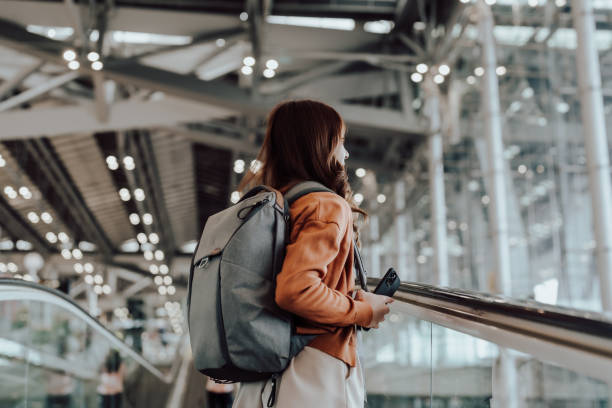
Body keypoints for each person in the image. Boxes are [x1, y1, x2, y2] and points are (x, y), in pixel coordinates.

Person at [232, 100, 393, 407]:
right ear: (319, 145)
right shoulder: (325, 204)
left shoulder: (275, 204)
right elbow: (297, 290)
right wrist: (364, 311)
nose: (345, 154)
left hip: (269, 366)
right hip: (314, 371)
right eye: (340, 142)